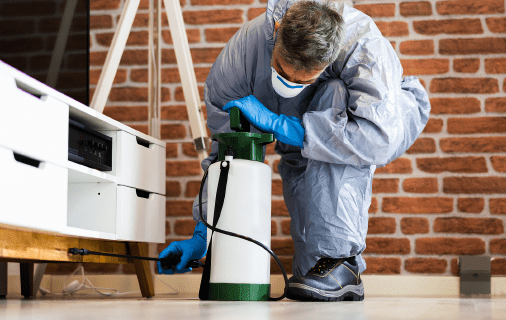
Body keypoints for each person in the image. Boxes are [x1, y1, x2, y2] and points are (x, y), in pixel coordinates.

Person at [157, 0, 430, 302]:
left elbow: (378, 138)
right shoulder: (238, 62)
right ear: (277, 31)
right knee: (310, 276)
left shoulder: (363, 46)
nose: (291, 84)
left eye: (304, 80)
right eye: (282, 72)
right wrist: (204, 232)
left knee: (333, 93)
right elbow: (225, 154)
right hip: (302, 141)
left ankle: (341, 263)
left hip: (378, 121)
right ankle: (322, 266)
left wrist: (283, 125)